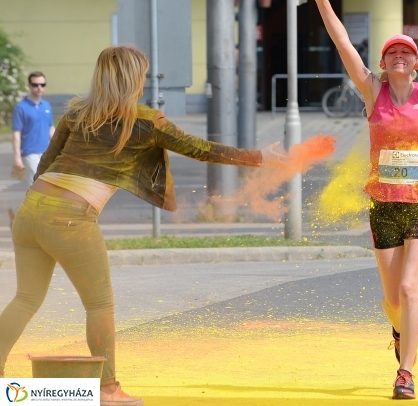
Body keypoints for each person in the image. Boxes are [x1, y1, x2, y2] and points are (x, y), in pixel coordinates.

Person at [0, 45, 287, 406]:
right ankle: (107, 390)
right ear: (135, 79)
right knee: (99, 305)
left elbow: (47, 161)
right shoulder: (146, 119)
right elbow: (201, 149)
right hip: (70, 216)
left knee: (25, 299)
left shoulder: (77, 111)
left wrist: (35, 207)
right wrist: (261, 157)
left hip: (31, 210)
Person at [307, 0, 418, 400]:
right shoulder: (372, 91)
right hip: (383, 207)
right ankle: (400, 333)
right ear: (383, 63)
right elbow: (342, 42)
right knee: (393, 302)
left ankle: (406, 372)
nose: (400, 55)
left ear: (416, 64)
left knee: (408, 287)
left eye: (407, 52)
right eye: (392, 51)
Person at [12, 71, 55, 188]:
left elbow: (51, 128)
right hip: (30, 153)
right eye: (35, 85)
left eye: (42, 85)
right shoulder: (21, 107)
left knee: (46, 184)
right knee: (37, 184)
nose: (39, 88)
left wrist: (59, 147)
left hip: (46, 152)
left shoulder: (46, 105)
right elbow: (16, 133)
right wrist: (17, 158)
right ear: (29, 85)